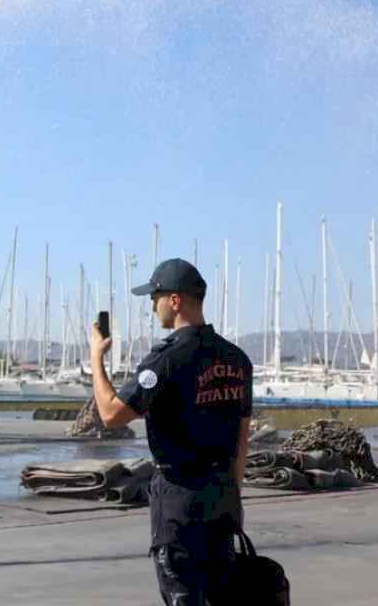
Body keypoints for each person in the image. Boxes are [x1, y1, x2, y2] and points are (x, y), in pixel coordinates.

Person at [88, 258, 252, 606]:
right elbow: (242, 437)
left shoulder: (166, 359)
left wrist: (96, 360)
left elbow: (111, 415)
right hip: (223, 494)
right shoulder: (237, 359)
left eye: (155, 296)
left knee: (183, 595)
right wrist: (233, 498)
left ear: (174, 300)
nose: (152, 305)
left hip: (180, 499)